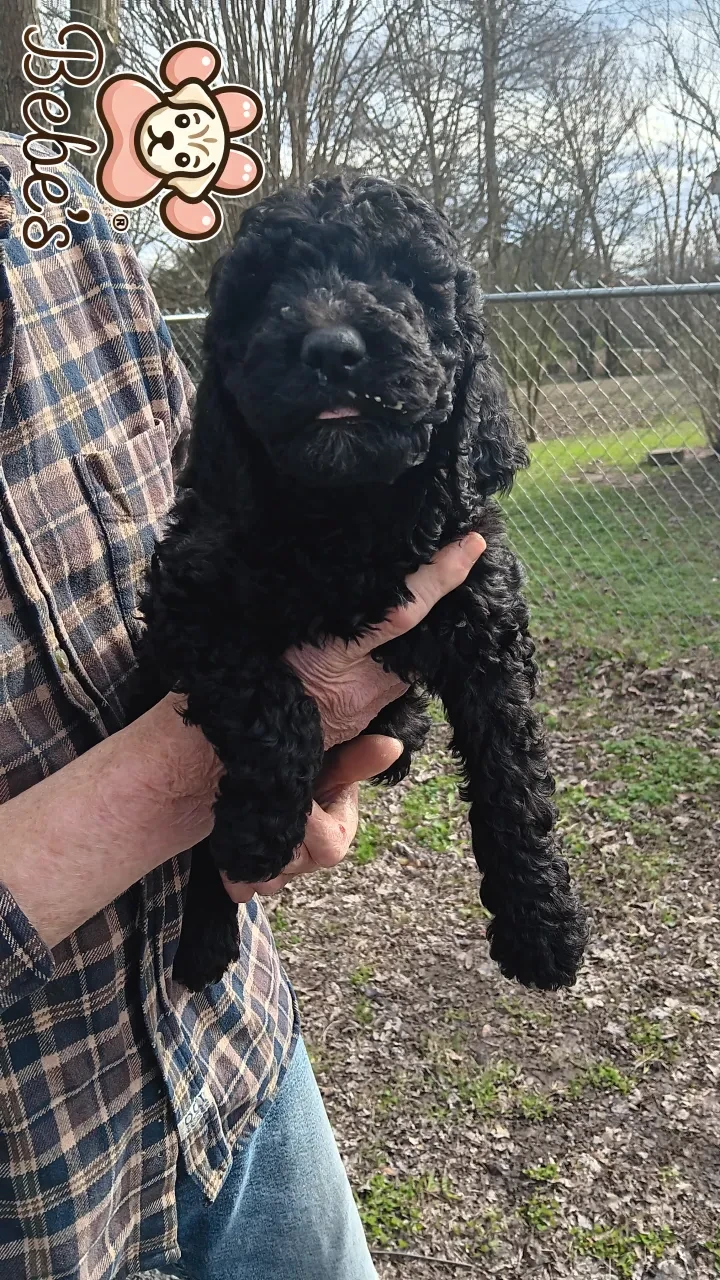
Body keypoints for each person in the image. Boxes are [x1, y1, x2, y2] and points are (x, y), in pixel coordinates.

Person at [0, 133, 485, 1280]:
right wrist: (204, 777)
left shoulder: (58, 206)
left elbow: (217, 511)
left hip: (242, 1070)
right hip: (43, 1203)